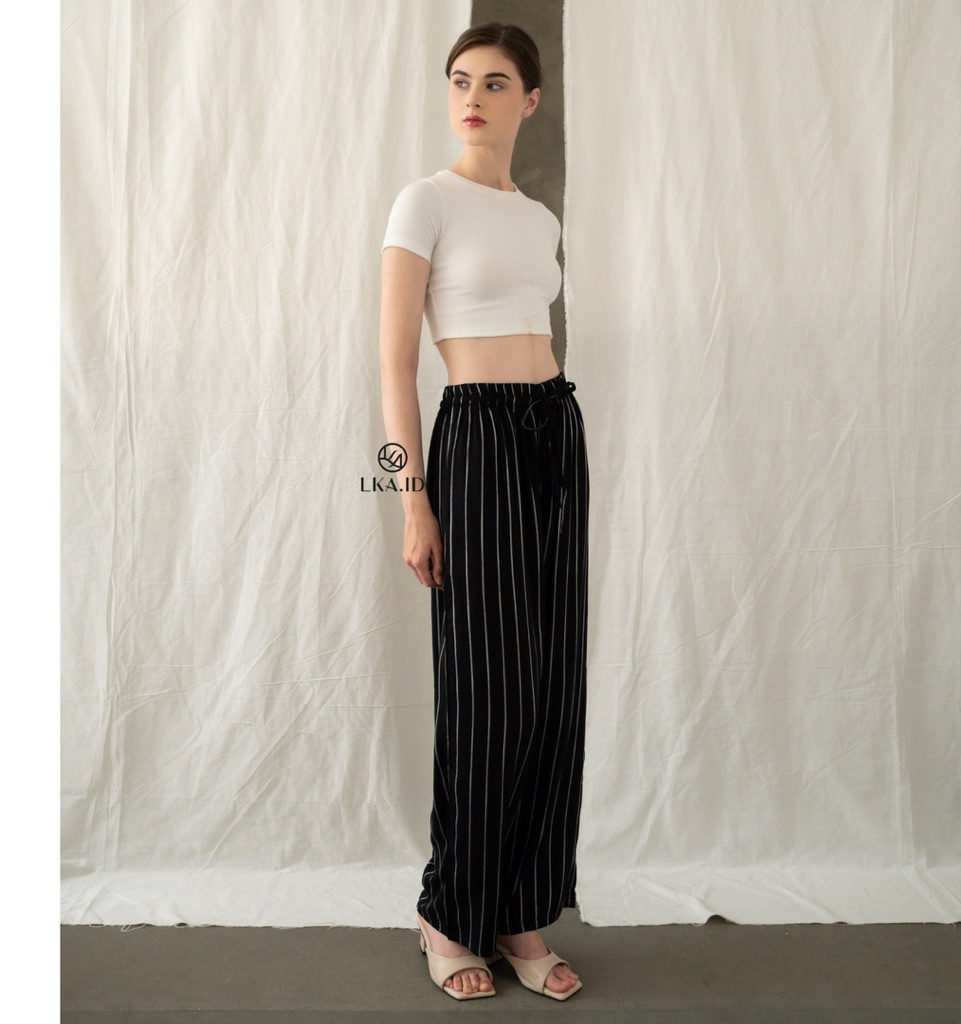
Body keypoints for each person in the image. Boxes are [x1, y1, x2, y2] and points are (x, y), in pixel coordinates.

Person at [378, 22, 588, 1003]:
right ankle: (450, 911)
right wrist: (410, 501)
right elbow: (393, 365)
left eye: (495, 83)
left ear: (529, 100)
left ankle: (517, 907)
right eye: (460, 80)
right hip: (476, 439)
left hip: (554, 430)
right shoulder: (424, 201)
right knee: (485, 693)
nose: (472, 96)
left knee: (548, 685)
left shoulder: (538, 217)